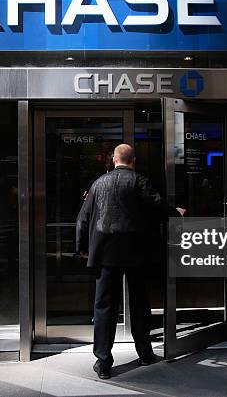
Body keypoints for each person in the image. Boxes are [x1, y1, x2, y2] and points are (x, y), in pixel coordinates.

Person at [76, 144, 185, 379]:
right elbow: (156, 206)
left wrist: (82, 247)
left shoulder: (98, 184)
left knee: (104, 306)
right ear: (132, 160)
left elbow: (83, 218)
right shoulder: (138, 181)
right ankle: (145, 353)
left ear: (114, 160)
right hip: (135, 252)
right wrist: (176, 213)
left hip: (105, 254)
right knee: (139, 304)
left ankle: (103, 362)